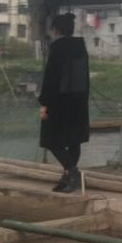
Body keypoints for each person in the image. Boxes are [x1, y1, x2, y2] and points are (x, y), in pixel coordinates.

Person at [39, 13, 90, 194]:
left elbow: (51, 78)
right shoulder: (80, 47)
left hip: (59, 103)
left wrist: (44, 104)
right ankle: (68, 175)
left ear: (55, 30)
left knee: (51, 140)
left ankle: (72, 172)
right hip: (78, 101)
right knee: (74, 140)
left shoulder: (57, 48)